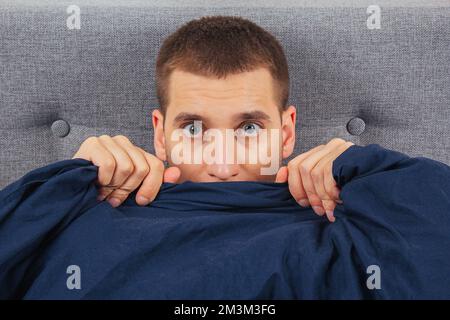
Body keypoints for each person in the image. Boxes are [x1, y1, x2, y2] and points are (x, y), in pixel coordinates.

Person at [72, 15, 355, 223]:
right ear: (160, 136)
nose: (223, 168)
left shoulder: (338, 218)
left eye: (249, 128)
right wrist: (70, 185)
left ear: (286, 134)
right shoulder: (101, 216)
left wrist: (364, 175)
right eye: (193, 129)